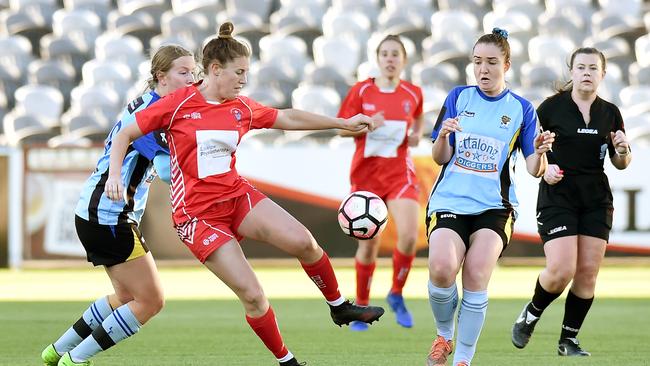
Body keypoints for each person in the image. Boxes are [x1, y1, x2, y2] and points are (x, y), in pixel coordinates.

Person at [104, 22, 385, 366]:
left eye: (246, 73)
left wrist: (341, 122)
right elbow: (124, 134)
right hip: (197, 216)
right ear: (215, 69)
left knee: (305, 242)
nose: (243, 80)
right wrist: (114, 175)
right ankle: (287, 361)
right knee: (253, 296)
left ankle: (339, 306)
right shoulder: (177, 104)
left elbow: (287, 117)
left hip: (236, 196)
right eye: (239, 72)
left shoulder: (241, 107)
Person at [40, 45, 197, 366]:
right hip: (110, 216)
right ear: (160, 77)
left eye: (194, 72)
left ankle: (56, 352)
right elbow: (167, 171)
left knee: (126, 298)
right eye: (184, 72)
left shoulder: (152, 107)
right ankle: (76, 359)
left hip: (98, 213)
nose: (192, 79)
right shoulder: (149, 114)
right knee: (151, 301)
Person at [424, 28, 555, 366]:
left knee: (477, 274)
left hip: (495, 208)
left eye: (491, 62)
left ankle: (463, 360)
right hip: (450, 202)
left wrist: (539, 152)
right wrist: (444, 137)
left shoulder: (522, 109)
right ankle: (444, 335)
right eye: (477, 61)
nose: (483, 69)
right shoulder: (458, 97)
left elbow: (533, 169)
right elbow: (439, 156)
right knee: (441, 269)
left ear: (507, 65)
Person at [511, 47, 632, 357]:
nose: (587, 72)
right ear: (572, 72)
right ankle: (532, 313)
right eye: (581, 67)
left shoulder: (610, 112)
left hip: (596, 199)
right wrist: (545, 164)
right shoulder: (551, 108)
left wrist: (622, 149)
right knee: (562, 269)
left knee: (588, 272)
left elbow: (622, 162)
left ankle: (569, 340)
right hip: (558, 196)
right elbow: (534, 155)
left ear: (603, 74)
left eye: (593, 68)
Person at [337, 34, 424, 331]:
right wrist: (364, 124)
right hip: (366, 179)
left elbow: (418, 123)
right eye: (385, 53)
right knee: (369, 245)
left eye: (395, 54)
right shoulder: (362, 91)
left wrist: (415, 136)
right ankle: (361, 305)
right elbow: (341, 129)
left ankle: (396, 293)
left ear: (404, 61)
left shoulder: (413, 93)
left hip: (399, 173)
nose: (390, 58)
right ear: (377, 59)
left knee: (410, 236)